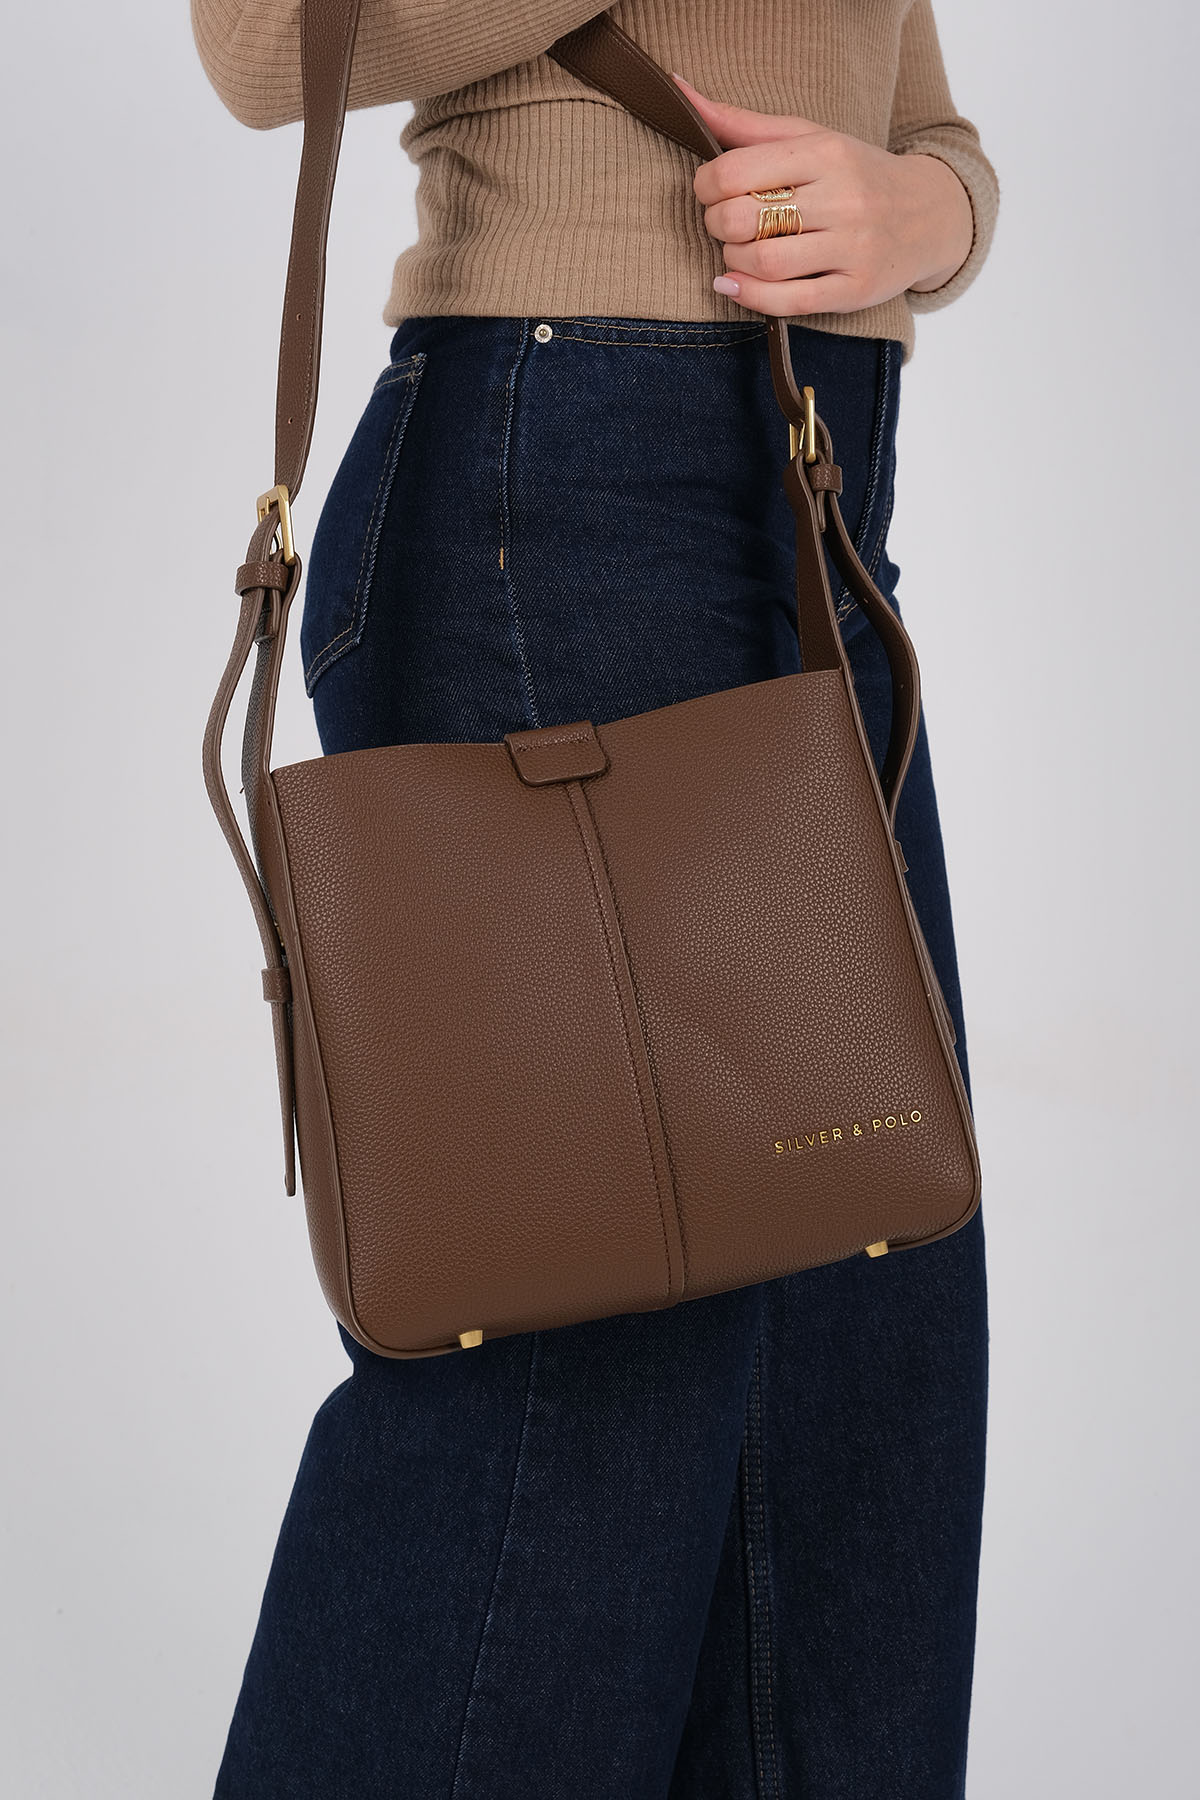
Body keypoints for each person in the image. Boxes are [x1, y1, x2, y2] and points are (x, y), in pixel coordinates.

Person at [190, 4, 999, 1795]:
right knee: (570, 1407)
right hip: (556, 486)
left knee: (865, 1384)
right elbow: (262, 46)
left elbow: (916, 108)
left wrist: (925, 216)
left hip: (816, 483)